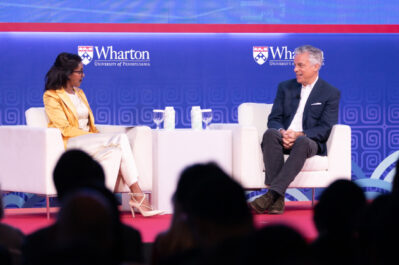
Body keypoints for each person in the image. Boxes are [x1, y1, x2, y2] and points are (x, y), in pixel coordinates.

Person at [43, 52, 162, 217]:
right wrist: (94, 137)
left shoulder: (80, 93)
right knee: (120, 139)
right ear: (68, 73)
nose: (83, 75)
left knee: (115, 151)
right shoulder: (51, 96)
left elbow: (90, 124)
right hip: (72, 141)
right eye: (79, 71)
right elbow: (63, 128)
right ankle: (138, 194)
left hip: (88, 139)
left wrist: (96, 137)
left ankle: (97, 207)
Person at [250, 45, 340, 214]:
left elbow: (326, 128)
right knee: (270, 134)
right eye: (295, 65)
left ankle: (271, 196)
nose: (295, 69)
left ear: (316, 66)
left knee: (303, 141)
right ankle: (278, 198)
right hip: (284, 138)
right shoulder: (285, 87)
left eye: (300, 65)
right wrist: (283, 132)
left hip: (309, 142)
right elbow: (274, 119)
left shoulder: (330, 93)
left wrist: (300, 134)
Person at [22, 149, 144, 265]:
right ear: (102, 187)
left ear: (59, 194)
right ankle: (138, 195)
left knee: (116, 150)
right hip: (72, 137)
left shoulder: (37, 244)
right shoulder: (128, 239)